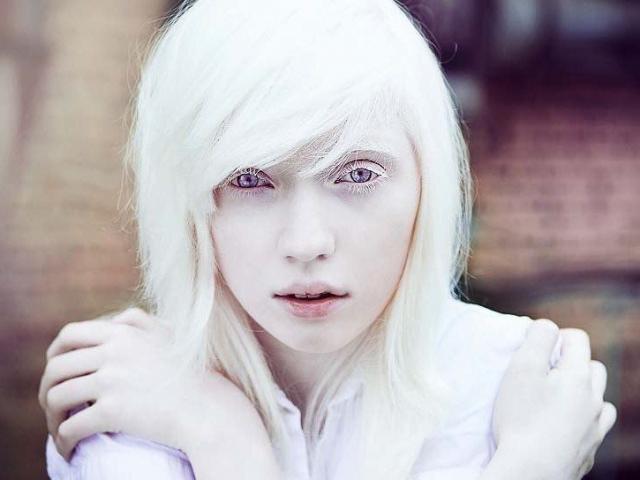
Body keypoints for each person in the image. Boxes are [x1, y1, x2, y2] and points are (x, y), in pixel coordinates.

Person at [38, 0, 617, 479]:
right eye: (249, 179)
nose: (307, 242)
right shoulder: (133, 392)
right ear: (186, 197)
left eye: (358, 174)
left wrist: (222, 442)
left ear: (428, 180)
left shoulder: (515, 386)